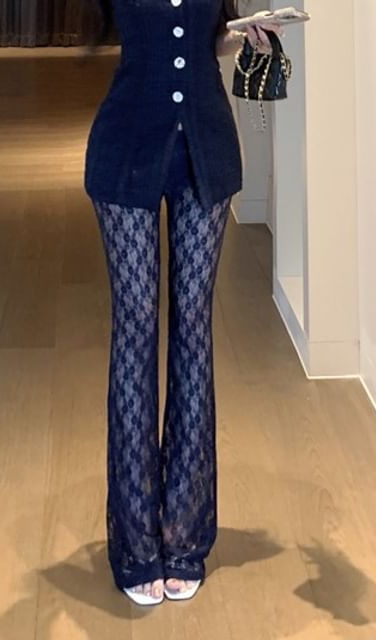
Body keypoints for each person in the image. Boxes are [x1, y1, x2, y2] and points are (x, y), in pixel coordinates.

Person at [82, 0, 280, 605]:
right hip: (126, 150)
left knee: (193, 331)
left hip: (206, 150)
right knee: (136, 329)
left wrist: (248, 36)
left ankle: (185, 537)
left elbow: (211, 39)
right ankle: (136, 544)